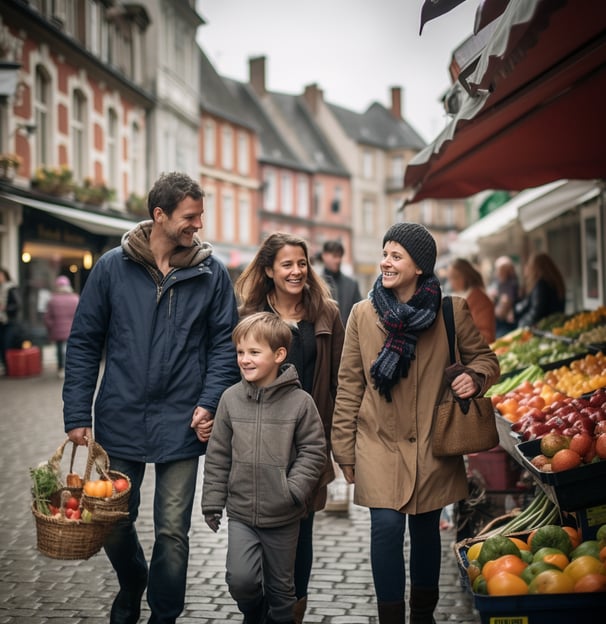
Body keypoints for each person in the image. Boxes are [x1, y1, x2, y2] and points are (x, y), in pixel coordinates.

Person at [62, 172, 241, 624]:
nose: (198, 224)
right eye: (189, 216)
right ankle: (133, 580)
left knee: (173, 532)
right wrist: (76, 413)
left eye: (201, 215)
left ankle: (164, 614)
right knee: (112, 521)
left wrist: (209, 401)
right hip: (120, 416)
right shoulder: (110, 268)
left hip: (184, 420)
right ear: (158, 215)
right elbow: (84, 342)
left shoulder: (211, 274)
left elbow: (224, 345)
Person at [331, 222, 500, 624]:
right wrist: (343, 448)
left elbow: (487, 361)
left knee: (426, 531)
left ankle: (423, 616)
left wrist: (473, 377)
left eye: (396, 256)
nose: (385, 262)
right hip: (378, 441)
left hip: (432, 441)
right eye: (385, 253)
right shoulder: (363, 313)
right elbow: (350, 383)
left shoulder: (450, 310)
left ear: (420, 266)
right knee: (386, 529)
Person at [234, 232, 344, 623]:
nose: (297, 271)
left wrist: (335, 437)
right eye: (287, 264)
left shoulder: (326, 313)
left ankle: (292, 610)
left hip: (308, 439)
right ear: (268, 270)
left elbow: (339, 380)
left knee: (302, 529)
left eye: (302, 263)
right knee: (257, 527)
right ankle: (257, 607)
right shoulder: (249, 315)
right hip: (259, 439)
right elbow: (237, 375)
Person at [202, 312, 327, 624]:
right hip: (242, 513)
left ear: (279, 355)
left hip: (284, 515)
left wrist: (293, 490)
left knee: (282, 590)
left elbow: (314, 451)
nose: (244, 359)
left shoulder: (301, 403)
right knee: (241, 581)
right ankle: (254, 613)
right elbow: (218, 455)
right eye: (241, 352)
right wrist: (212, 501)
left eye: (254, 352)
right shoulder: (230, 399)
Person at [446, 258, 496, 344]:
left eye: (456, 277)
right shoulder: (455, 296)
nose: (452, 282)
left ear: (467, 276)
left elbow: (486, 335)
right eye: (450, 278)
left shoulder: (479, 300)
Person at [516, 252, 566, 328]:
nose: (526, 268)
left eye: (529, 265)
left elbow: (536, 312)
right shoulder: (554, 282)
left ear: (535, 267)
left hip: (545, 328)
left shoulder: (541, 285)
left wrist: (521, 324)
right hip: (556, 324)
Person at [43, 275, 80, 378]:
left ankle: (61, 368)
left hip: (58, 329)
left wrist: (51, 326)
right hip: (72, 329)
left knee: (59, 349)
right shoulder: (75, 298)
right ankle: (72, 368)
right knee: (72, 349)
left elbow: (47, 317)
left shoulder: (53, 300)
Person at [320, 240, 362, 326]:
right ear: (324, 256)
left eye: (340, 256)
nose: (338, 260)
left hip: (347, 336)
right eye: (334, 256)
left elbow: (360, 313)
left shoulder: (351, 285)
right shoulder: (316, 284)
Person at [489, 256, 520, 337]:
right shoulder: (497, 283)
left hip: (505, 325)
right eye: (498, 269)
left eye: (502, 269)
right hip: (498, 322)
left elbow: (502, 311)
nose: (498, 272)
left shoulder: (510, 285)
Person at [0, 267, 21, 374]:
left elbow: (17, 305)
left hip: (10, 321)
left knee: (7, 344)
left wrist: (5, 308)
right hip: (2, 321)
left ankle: (9, 368)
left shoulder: (11, 288)